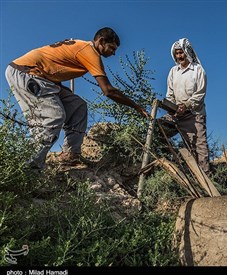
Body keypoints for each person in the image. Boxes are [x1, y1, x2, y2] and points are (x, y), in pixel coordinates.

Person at [5, 27, 149, 170]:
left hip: (44, 78)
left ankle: (70, 155)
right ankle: (29, 166)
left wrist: (62, 88)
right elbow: (108, 91)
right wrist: (136, 106)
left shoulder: (82, 47)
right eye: (111, 48)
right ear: (101, 41)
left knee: (77, 106)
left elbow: (53, 65)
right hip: (25, 72)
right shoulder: (89, 51)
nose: (113, 53)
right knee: (53, 117)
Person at [163, 38, 210, 174]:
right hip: (175, 113)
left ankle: (206, 179)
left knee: (199, 148)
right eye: (177, 53)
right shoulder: (173, 71)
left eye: (181, 53)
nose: (179, 56)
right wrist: (171, 107)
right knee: (158, 131)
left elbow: (200, 94)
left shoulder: (198, 70)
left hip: (194, 115)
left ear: (188, 52)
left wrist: (186, 105)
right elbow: (170, 93)